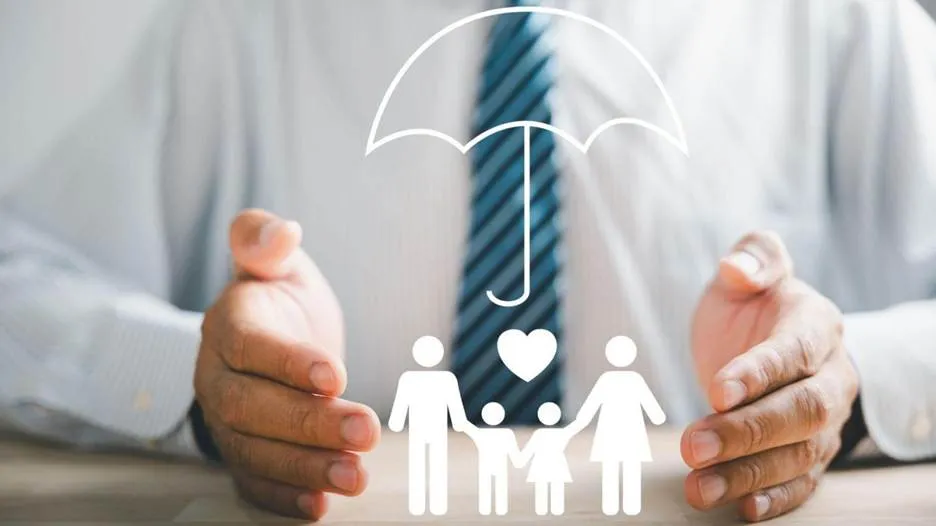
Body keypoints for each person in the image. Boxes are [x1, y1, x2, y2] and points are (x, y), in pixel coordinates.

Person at [0, 1, 935, 522]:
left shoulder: (840, 20)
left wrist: (849, 382)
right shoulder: (241, 26)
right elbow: (17, 280)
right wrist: (201, 385)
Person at [567, 335, 666, 516]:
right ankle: (625, 504)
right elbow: (593, 404)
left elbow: (591, 406)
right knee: (624, 467)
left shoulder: (613, 380)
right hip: (621, 431)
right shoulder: (624, 380)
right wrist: (657, 416)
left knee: (621, 467)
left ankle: (617, 504)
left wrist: (580, 421)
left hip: (618, 431)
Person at [388, 335, 468, 516]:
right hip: (419, 430)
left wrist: (459, 422)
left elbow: (454, 405)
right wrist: (397, 422)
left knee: (435, 465)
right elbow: (402, 403)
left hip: (436, 431)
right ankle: (421, 502)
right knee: (420, 465)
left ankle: (435, 502)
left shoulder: (445, 380)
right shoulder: (410, 380)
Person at [514, 402, 578, 516]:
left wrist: (520, 460)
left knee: (543, 486)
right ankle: (556, 508)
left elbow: (529, 449)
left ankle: (543, 508)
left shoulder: (540, 433)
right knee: (554, 485)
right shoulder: (560, 433)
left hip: (542, 464)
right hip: (555, 463)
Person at [461, 402, 522, 516]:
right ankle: (500, 508)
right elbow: (514, 453)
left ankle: (487, 508)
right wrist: (518, 460)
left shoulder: (481, 432)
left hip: (487, 466)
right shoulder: (506, 433)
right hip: (499, 466)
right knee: (499, 486)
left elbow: (466, 426)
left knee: (488, 486)